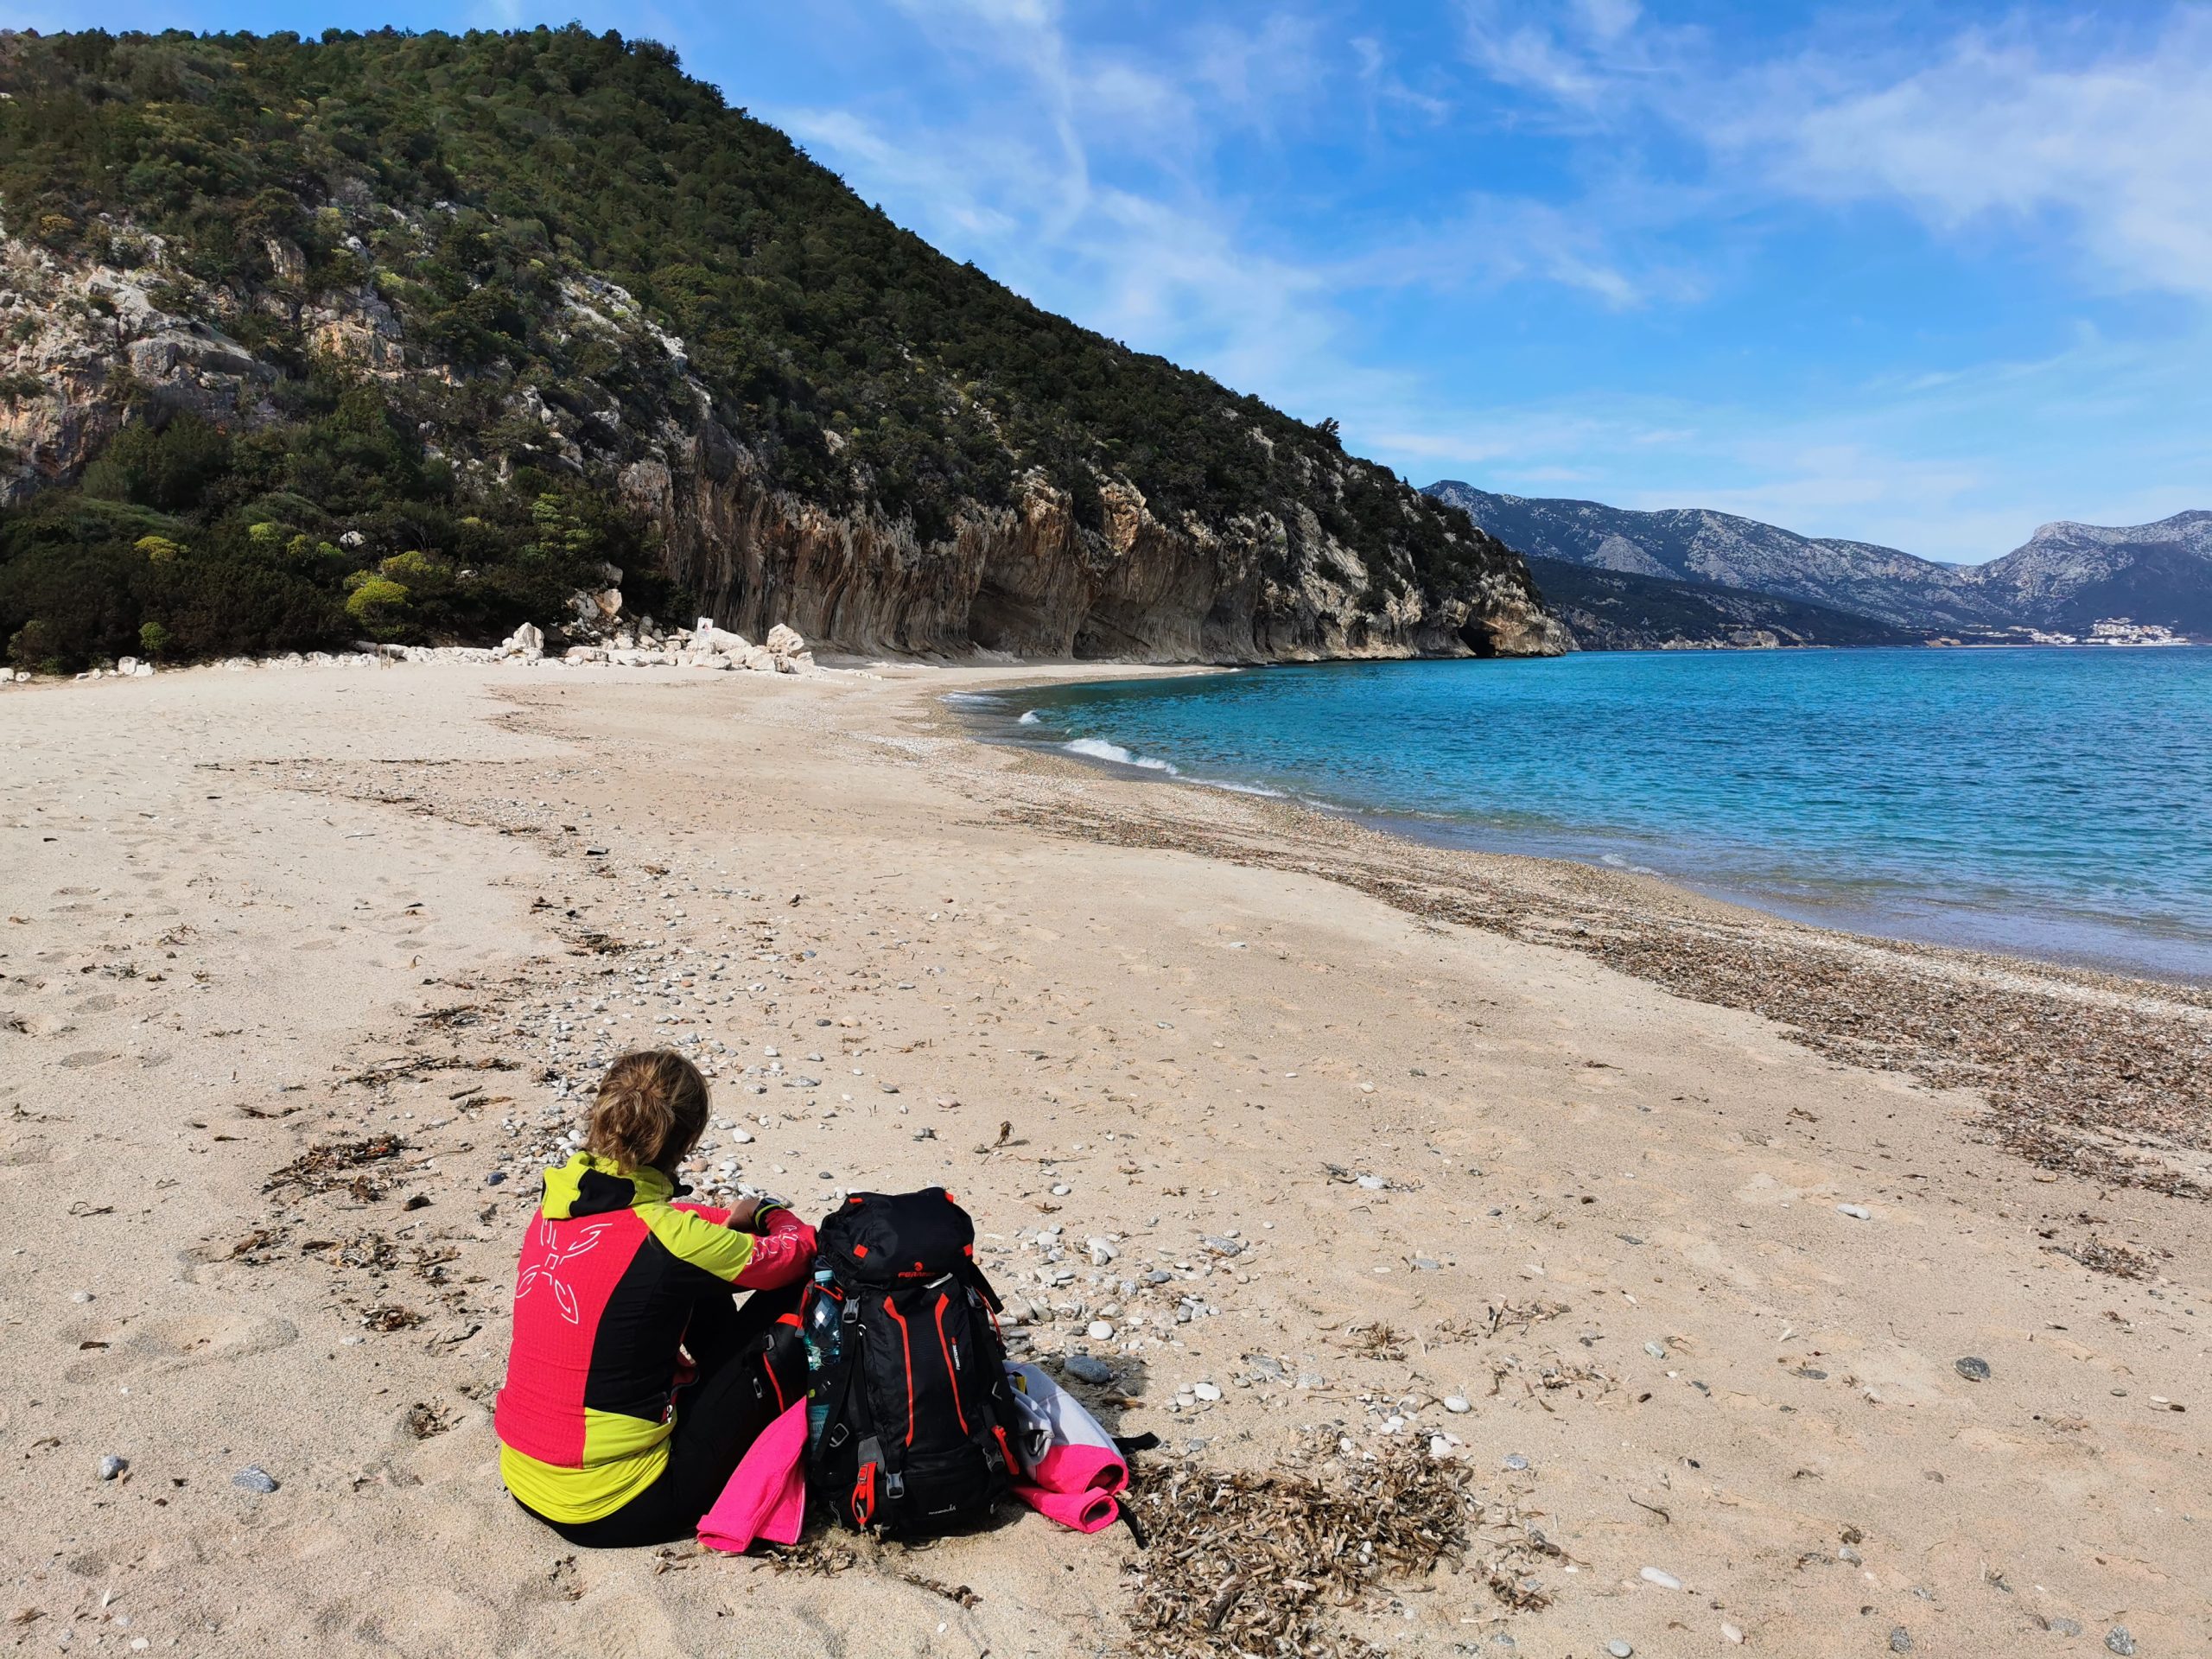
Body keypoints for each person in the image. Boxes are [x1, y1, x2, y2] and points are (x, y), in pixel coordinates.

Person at [495, 1049, 816, 1546]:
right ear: (686, 1139)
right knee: (803, 1293)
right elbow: (797, 1253)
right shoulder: (670, 1239)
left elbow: (660, 1227)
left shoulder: (555, 1206)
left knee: (692, 1286)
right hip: (620, 1506)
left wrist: (718, 1220)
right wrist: (766, 1211)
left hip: (525, 1478)